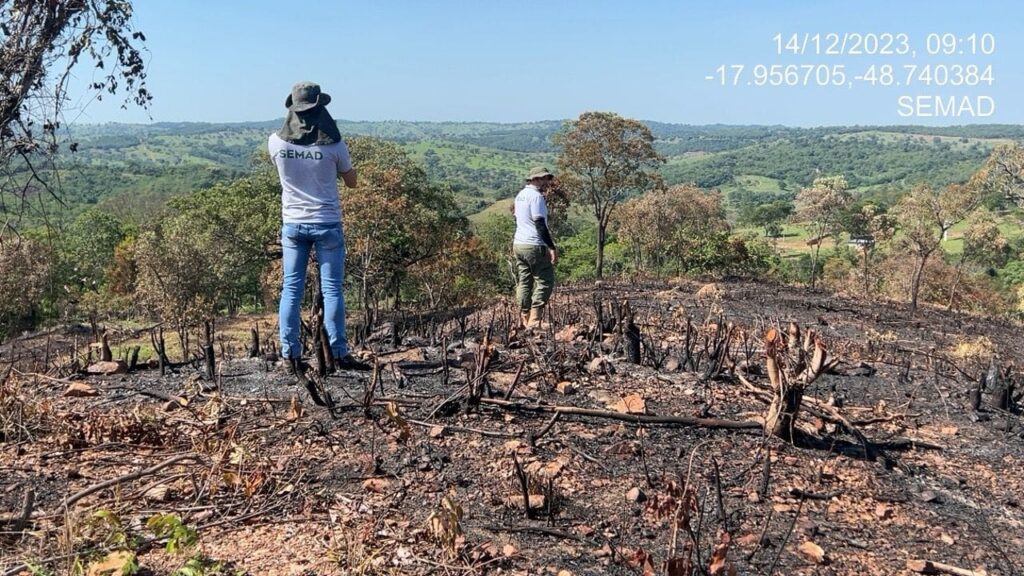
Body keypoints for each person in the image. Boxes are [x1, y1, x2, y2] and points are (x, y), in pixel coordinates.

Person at [269, 81, 369, 404]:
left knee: (291, 290)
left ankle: (290, 354)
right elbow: (352, 183)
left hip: (293, 225)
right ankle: (339, 351)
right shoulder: (334, 145)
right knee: (332, 290)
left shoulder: (275, 143)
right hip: (327, 223)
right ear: (320, 108)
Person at [512, 166, 558, 328]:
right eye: (545, 179)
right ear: (536, 180)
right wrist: (551, 246)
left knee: (524, 282)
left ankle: (524, 317)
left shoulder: (520, 196)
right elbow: (539, 223)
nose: (547, 182)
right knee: (545, 281)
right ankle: (534, 319)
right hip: (534, 244)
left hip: (518, 244)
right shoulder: (536, 197)